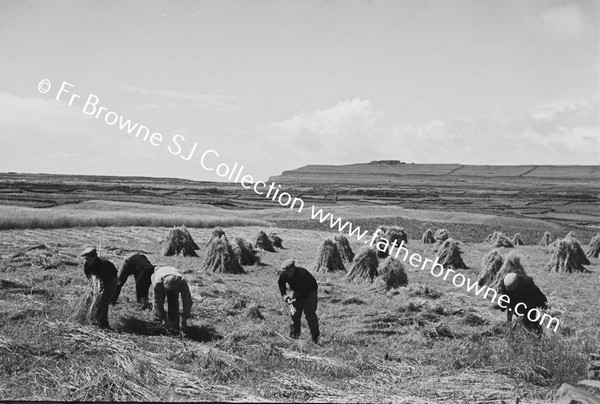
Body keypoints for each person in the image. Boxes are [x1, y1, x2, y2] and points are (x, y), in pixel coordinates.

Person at [278, 259, 320, 343]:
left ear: (293, 269)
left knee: (309, 314)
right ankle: (294, 334)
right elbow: (281, 283)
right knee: (295, 313)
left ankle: (315, 337)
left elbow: (307, 290)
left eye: (289, 271)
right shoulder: (284, 273)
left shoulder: (302, 274)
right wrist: (284, 295)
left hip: (310, 291)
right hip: (298, 291)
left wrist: (297, 300)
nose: (287, 274)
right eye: (286, 272)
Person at [77, 247, 118, 329]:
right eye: (86, 259)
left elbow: (105, 280)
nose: (87, 261)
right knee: (90, 299)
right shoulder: (87, 265)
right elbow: (89, 276)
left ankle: (103, 324)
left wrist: (99, 289)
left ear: (94, 257)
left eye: (88, 259)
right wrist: (93, 286)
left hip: (110, 281)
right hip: (98, 282)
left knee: (103, 301)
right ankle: (88, 319)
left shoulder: (102, 264)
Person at [151, 266, 193, 331]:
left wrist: (185, 319)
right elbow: (157, 301)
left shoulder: (182, 282)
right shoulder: (158, 283)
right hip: (158, 274)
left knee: (173, 301)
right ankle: (158, 319)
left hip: (174, 272)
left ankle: (174, 324)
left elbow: (187, 301)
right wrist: (164, 318)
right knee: (160, 299)